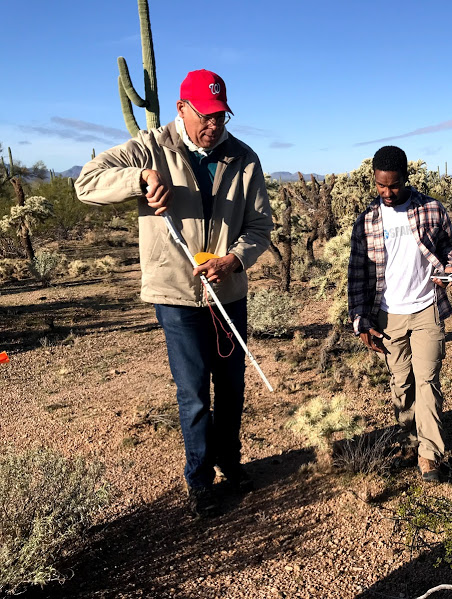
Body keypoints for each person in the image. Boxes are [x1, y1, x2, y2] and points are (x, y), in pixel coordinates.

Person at [75, 69, 273, 517]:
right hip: (176, 294)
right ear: (182, 109)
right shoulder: (148, 148)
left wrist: (235, 259)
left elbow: (260, 225)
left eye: (221, 116)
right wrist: (138, 180)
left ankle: (230, 462)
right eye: (206, 116)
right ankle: (200, 480)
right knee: (193, 393)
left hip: (228, 291)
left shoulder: (244, 157)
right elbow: (86, 182)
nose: (215, 126)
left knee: (232, 386)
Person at [347, 145, 452, 482]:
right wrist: (361, 319)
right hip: (388, 315)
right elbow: (357, 274)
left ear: (406, 179)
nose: (387, 192)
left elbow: (449, 246)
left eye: (393, 185)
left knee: (427, 381)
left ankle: (429, 455)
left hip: (427, 308)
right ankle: (409, 441)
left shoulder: (430, 209)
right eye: (381, 185)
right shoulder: (367, 220)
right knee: (401, 382)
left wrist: (448, 271)